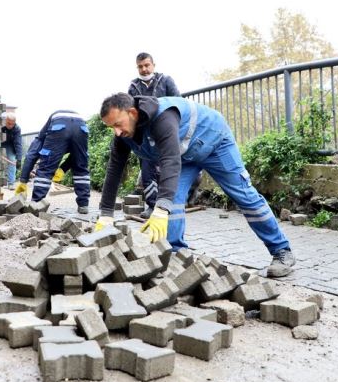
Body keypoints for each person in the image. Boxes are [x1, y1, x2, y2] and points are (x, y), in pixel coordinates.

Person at [95, 93, 295, 277]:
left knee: (243, 194)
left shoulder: (163, 117)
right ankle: (176, 255)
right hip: (185, 156)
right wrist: (105, 213)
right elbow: (114, 171)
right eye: (112, 127)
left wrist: (160, 208)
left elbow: (170, 161)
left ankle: (281, 251)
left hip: (215, 142)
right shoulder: (122, 136)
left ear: (132, 112)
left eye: (118, 124)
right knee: (171, 199)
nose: (117, 132)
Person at [128, 52, 201, 217]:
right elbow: (131, 112)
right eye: (140, 66)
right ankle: (152, 205)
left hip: (167, 132)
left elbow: (179, 103)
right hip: (147, 136)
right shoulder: (133, 87)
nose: (144, 69)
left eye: (147, 65)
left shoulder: (166, 81)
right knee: (147, 169)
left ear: (153, 65)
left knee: (176, 165)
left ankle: (189, 193)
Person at [15, 110, 90, 214]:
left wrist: (23, 181)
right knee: (81, 165)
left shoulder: (41, 138)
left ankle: (36, 205)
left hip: (59, 125)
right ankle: (84, 205)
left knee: (46, 168)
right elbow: (75, 157)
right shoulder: (51, 135)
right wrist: (63, 169)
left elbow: (30, 156)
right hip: (81, 125)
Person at [1, 112, 23, 189]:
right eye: (8, 123)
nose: (10, 126)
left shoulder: (17, 129)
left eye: (12, 124)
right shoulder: (0, 125)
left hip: (9, 144)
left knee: (12, 160)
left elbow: (18, 144)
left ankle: (11, 183)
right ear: (5, 121)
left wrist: (19, 159)